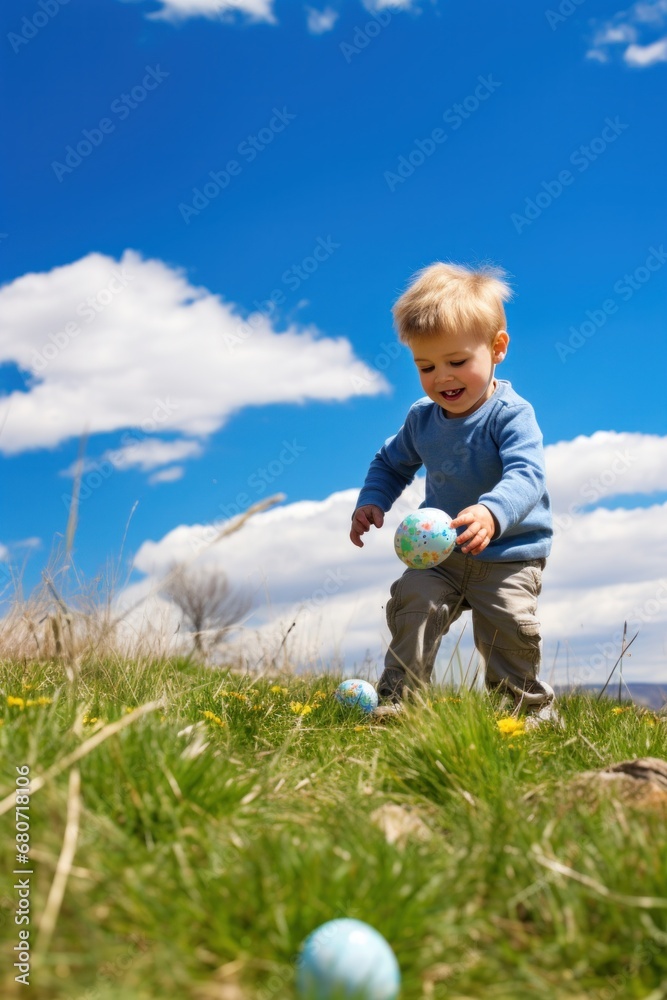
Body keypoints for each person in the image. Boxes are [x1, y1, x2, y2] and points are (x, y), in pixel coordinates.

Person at [350, 261, 560, 727]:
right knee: (413, 604)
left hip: (508, 552)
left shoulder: (511, 415)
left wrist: (491, 512)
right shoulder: (421, 420)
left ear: (497, 348)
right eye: (426, 366)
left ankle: (525, 709)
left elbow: (527, 474)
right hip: (440, 553)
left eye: (457, 362)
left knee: (508, 626)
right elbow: (390, 462)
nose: (442, 377)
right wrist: (372, 501)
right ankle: (400, 701)